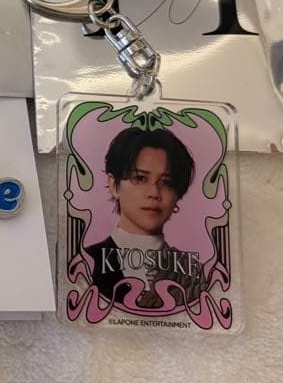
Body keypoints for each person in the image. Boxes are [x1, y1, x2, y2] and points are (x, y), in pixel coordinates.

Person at [84, 127, 204, 308]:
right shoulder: (85, 263)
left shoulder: (194, 274)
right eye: (140, 178)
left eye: (167, 182)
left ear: (178, 193)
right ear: (114, 185)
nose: (154, 192)